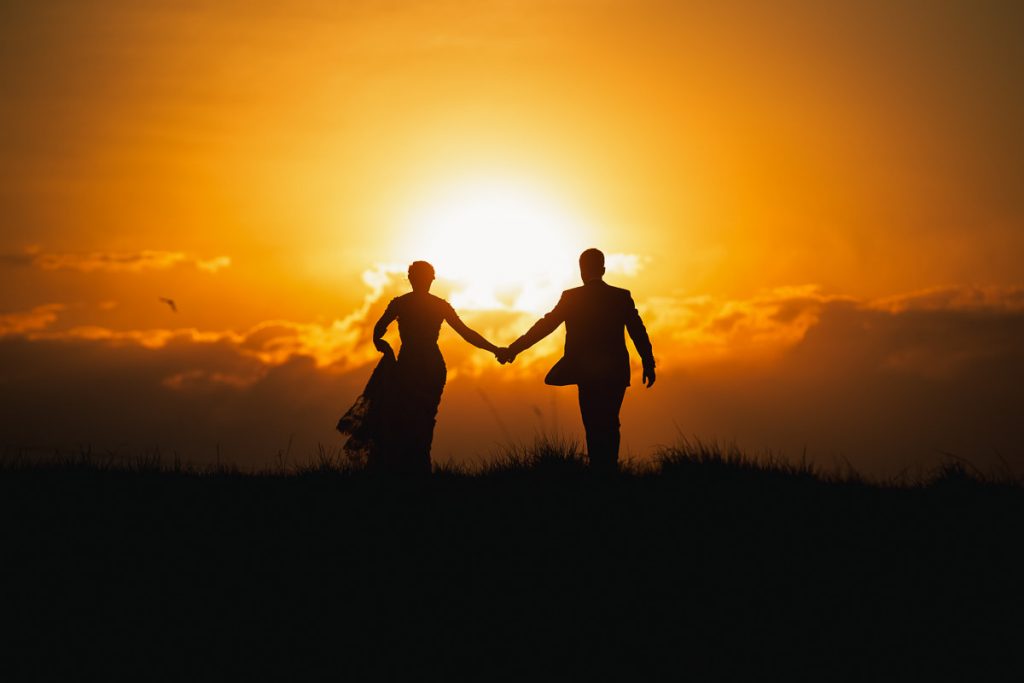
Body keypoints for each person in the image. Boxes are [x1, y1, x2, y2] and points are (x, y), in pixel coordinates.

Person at [497, 248, 655, 471]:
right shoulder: (621, 296)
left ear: (582, 270)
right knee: (610, 421)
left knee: (592, 424)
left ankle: (599, 471)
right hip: (614, 371)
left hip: (586, 372)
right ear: (603, 270)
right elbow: (638, 331)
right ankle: (609, 470)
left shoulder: (572, 297)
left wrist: (513, 349)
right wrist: (648, 362)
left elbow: (545, 326)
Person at [337, 261, 502, 473]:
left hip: (409, 366)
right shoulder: (437, 305)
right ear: (430, 279)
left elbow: (378, 331)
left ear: (411, 279)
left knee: (407, 418)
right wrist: (496, 349)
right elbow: (466, 333)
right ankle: (419, 468)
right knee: (423, 418)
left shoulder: (400, 304)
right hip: (430, 367)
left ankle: (413, 469)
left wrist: (384, 347)